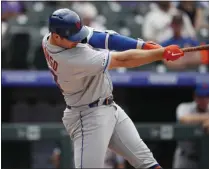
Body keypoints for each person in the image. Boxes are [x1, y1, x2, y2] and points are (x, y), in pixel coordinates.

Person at [42, 8, 184, 168]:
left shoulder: (49, 38)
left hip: (109, 107)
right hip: (87, 116)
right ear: (56, 36)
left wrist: (142, 45)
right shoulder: (70, 59)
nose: (78, 41)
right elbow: (124, 60)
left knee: (149, 164)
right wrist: (161, 54)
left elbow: (101, 37)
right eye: (73, 38)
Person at [173, 84, 209, 169]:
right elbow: (184, 119)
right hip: (185, 157)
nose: (203, 100)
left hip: (206, 157)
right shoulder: (184, 107)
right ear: (195, 96)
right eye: (200, 96)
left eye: (206, 96)